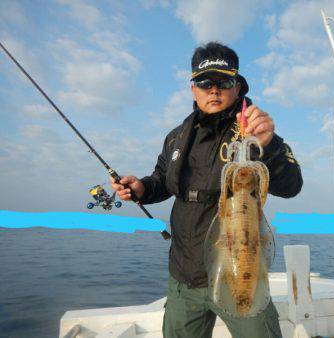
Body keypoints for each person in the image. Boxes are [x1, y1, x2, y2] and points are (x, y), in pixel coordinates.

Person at [110, 42, 303, 338]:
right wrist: (142, 188)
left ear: (237, 87)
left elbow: (291, 186)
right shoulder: (176, 137)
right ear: (193, 88)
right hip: (184, 275)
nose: (214, 90)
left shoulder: (254, 129)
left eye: (223, 82)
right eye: (204, 82)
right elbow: (163, 179)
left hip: (241, 270)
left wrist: (271, 145)